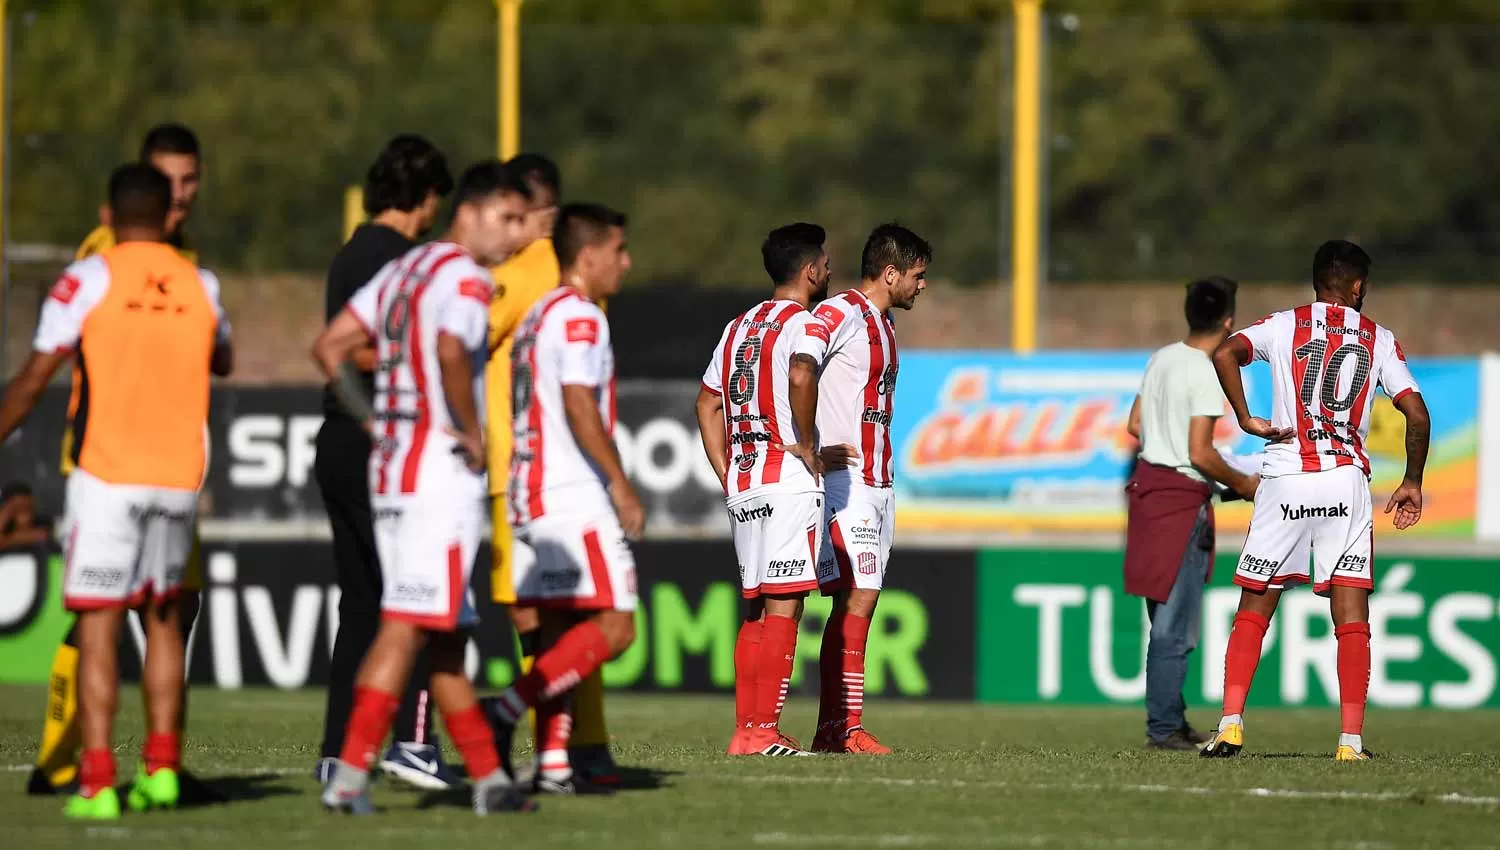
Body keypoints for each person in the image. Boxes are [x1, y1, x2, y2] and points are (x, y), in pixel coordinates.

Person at [0, 163, 233, 819]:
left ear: (108, 216)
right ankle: (161, 771)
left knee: (98, 625)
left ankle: (99, 781)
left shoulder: (88, 278)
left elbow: (34, 375)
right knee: (164, 623)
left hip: (106, 471)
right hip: (178, 475)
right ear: (167, 216)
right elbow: (224, 357)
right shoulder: (203, 282)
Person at [311, 161, 534, 816]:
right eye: (510, 219)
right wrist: (467, 429)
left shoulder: (404, 270)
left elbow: (330, 348)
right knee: (407, 625)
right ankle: (349, 775)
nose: (517, 237)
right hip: (438, 478)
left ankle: (490, 781)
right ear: (470, 211)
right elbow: (448, 350)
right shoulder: (465, 277)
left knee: (441, 639)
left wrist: (376, 421)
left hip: (395, 471)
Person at [1200, 240, 1430, 761]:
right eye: (1363, 285)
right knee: (1351, 613)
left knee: (1255, 606)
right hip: (1345, 481)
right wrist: (1412, 480)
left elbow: (1224, 354)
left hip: (1284, 474)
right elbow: (1417, 415)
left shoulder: (1284, 325)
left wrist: (1244, 415)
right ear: (1355, 285)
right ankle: (1350, 742)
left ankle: (1231, 724)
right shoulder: (1378, 338)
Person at [312, 134, 462, 790]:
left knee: (363, 605)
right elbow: (365, 350)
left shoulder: (350, 253)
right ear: (426, 199)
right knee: (414, 601)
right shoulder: (405, 261)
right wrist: (380, 422)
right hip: (381, 446)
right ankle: (412, 743)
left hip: (336, 440)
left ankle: (338, 749)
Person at [480, 203, 642, 792]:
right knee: (617, 627)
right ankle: (502, 711)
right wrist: (620, 483)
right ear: (589, 254)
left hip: (528, 490)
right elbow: (578, 402)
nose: (625, 262)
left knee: (556, 633)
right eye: (619, 250)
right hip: (570, 493)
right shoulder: (580, 317)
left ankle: (551, 765)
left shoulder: (537, 314)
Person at [694, 222, 831, 757]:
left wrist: (726, 469)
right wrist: (807, 442)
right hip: (786, 477)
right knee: (784, 607)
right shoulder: (807, 322)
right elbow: (801, 378)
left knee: (755, 609)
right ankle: (762, 732)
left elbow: (706, 404)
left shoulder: (737, 327)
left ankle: (747, 730)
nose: (827, 269)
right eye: (823, 262)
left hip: (745, 481)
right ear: (810, 270)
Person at [806, 223, 930, 755]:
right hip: (845, 482)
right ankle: (847, 727)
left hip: (880, 482)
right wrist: (808, 444)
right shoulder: (838, 313)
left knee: (860, 604)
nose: (922, 287)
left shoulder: (884, 325)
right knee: (857, 598)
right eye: (918, 277)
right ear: (891, 272)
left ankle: (832, 728)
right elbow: (795, 367)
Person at [1122, 276, 1260, 751]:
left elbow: (1135, 423)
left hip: (1147, 493)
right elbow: (1201, 453)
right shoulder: (1204, 371)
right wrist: (1244, 484)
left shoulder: (1162, 357)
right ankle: (1162, 729)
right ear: (1228, 321)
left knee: (1163, 615)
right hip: (1181, 500)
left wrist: (1164, 444)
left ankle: (1172, 718)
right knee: (1175, 626)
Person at [0, 482, 51, 550]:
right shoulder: (5, 527)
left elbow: (42, 535)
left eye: (28, 507)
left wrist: (8, 540)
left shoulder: (42, 523)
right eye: (18, 507)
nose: (25, 513)